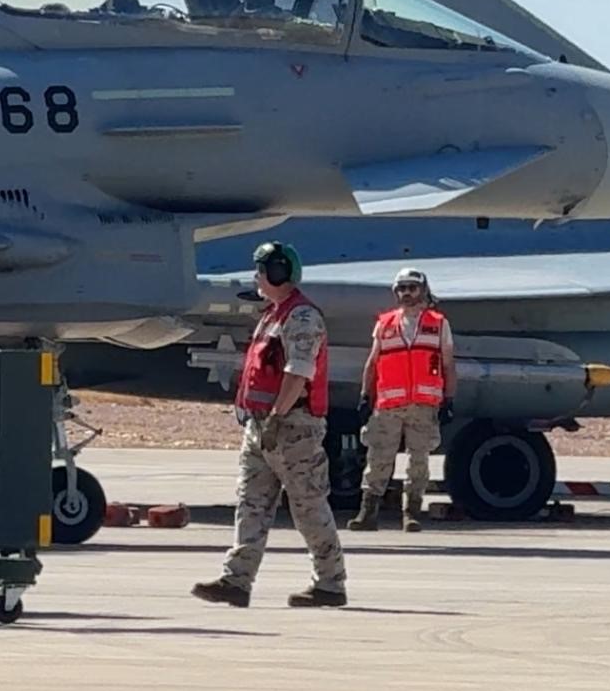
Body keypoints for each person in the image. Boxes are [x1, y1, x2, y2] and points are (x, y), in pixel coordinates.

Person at [193, 241, 348, 609]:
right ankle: (237, 580)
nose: (256, 277)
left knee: (308, 505)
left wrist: (278, 416)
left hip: (293, 427)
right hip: (262, 426)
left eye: (262, 269)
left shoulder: (302, 318)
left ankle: (330, 583)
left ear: (277, 272)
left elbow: (299, 372)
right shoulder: (272, 315)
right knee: (251, 503)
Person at [350, 267, 453, 532]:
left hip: (423, 404)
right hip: (388, 405)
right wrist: (365, 396)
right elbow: (372, 363)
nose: (407, 293)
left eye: (412, 288)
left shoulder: (438, 324)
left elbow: (448, 365)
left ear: (423, 290)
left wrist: (448, 400)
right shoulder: (384, 324)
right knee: (378, 458)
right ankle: (368, 512)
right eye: (402, 288)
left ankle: (411, 513)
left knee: (419, 461)